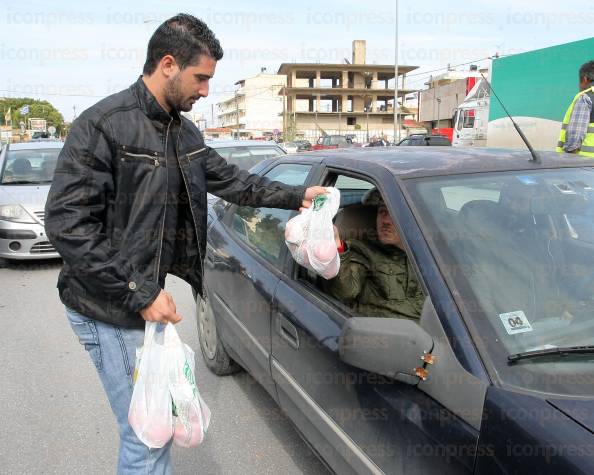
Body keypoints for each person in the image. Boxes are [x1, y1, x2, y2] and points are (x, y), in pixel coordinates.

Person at [44, 14, 326, 475]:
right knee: (147, 435)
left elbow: (234, 181)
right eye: (202, 78)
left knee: (155, 429)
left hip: (140, 303)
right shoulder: (104, 126)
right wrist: (140, 291)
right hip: (108, 307)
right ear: (169, 64)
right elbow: (68, 224)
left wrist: (298, 196)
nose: (206, 91)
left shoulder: (183, 132)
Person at [325, 189, 425, 320]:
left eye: (394, 213)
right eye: (382, 212)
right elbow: (345, 291)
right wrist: (338, 245)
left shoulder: (429, 254)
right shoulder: (363, 250)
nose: (386, 221)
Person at [557, 60, 594, 157]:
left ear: (585, 79)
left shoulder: (585, 98)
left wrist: (566, 161)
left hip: (585, 166)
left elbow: (574, 139)